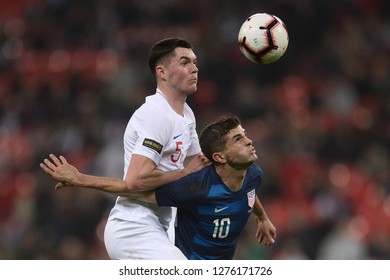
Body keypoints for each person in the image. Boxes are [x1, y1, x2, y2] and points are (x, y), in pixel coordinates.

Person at [42, 37, 206, 260]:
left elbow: (198, 166)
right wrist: (184, 173)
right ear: (162, 72)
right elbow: (136, 180)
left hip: (163, 224)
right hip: (134, 225)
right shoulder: (156, 115)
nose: (194, 68)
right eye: (185, 62)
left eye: (194, 62)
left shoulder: (186, 114)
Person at [41, 116, 276, 260]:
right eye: (237, 139)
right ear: (219, 157)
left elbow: (248, 193)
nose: (249, 141)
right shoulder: (196, 186)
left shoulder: (254, 174)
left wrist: (262, 218)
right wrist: (80, 179)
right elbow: (134, 189)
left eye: (244, 135)